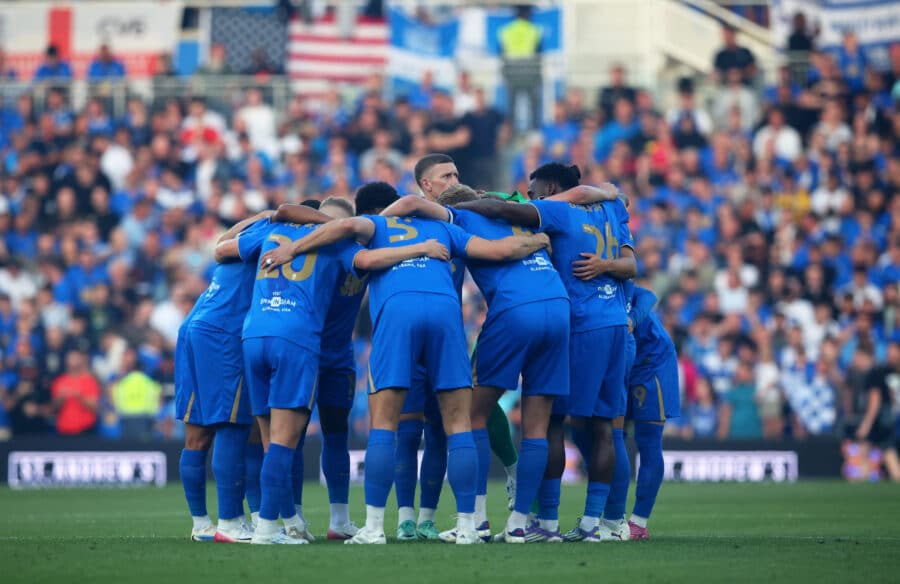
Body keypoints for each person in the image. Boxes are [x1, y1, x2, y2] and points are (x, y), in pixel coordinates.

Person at [259, 181, 552, 545]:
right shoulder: (446, 227)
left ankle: (375, 528)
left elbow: (345, 227)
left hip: (398, 311)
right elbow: (498, 250)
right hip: (446, 312)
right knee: (458, 423)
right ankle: (467, 527)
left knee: (385, 424)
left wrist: (294, 248)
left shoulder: (376, 225)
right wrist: (537, 241)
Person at [224, 183, 462, 545]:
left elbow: (226, 246)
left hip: (323, 351)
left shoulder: (340, 243)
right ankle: (287, 518)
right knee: (289, 437)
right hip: (301, 344)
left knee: (328, 435)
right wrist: (421, 247)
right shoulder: (341, 247)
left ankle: (335, 519)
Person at [451, 162, 636, 542]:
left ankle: (540, 521)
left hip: (580, 320)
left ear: (550, 188)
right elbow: (632, 262)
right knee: (604, 427)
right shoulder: (613, 208)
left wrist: (462, 206)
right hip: (615, 320)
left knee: (548, 422)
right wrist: (607, 263)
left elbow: (506, 210)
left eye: (535, 192)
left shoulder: (555, 209)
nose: (531, 199)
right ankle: (596, 523)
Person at [173, 210, 272, 543]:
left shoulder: (250, 233)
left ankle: (201, 522)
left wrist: (260, 214)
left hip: (194, 327)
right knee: (236, 424)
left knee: (199, 432)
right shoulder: (276, 234)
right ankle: (230, 521)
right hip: (222, 333)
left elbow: (222, 243)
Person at [621, 286, 681, 540]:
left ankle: (638, 522)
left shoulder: (609, 273)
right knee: (607, 436)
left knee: (648, 441)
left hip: (650, 363)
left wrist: (632, 320)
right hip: (621, 363)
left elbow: (648, 296)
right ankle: (610, 517)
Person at [50, 350, 101, 435]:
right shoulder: (59, 381)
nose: (73, 361)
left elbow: (95, 407)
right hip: (64, 430)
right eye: (71, 358)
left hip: (85, 430)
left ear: (81, 360)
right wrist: (61, 398)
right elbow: (54, 408)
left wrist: (79, 397)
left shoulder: (89, 381)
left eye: (76, 358)